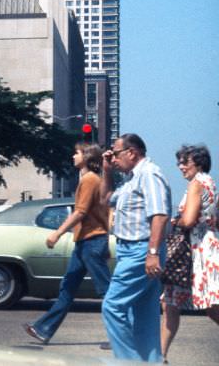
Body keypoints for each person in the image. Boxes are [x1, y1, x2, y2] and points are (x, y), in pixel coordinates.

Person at [24, 143, 111, 344]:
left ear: (87, 157)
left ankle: (119, 337)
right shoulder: (89, 179)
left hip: (92, 242)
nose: (73, 156)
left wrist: (57, 233)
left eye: (77, 153)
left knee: (106, 291)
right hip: (84, 243)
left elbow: (80, 212)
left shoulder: (89, 180)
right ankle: (43, 329)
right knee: (67, 288)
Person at [100, 133, 171, 362]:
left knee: (112, 307)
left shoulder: (149, 174)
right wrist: (106, 170)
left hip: (141, 251)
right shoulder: (132, 178)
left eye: (116, 153)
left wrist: (151, 254)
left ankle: (129, 362)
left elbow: (159, 215)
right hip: (131, 251)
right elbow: (105, 199)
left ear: (132, 152)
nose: (113, 157)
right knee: (144, 315)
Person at [160, 145, 219, 361]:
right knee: (175, 303)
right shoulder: (211, 184)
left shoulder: (196, 184)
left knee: (177, 303)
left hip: (194, 251)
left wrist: (176, 220)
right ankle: (161, 355)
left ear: (199, 163)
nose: (181, 167)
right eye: (180, 162)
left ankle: (160, 355)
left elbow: (189, 220)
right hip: (208, 247)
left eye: (186, 162)